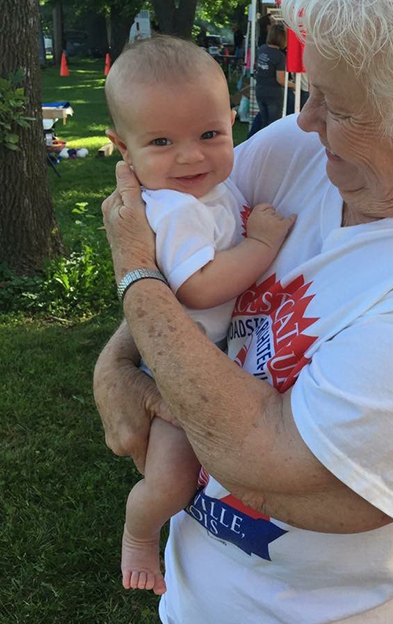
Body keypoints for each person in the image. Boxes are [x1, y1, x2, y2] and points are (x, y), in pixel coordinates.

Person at [95, 0, 393, 622]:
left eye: (338, 106)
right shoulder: (299, 150)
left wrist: (133, 277)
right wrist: (114, 363)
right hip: (194, 595)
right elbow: (185, 258)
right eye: (312, 90)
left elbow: (267, 455)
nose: (306, 120)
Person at [103, 35, 295, 596]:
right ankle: (139, 534)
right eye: (161, 141)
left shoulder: (209, 187)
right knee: (170, 477)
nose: (191, 156)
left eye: (210, 134)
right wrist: (260, 245)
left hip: (208, 356)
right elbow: (199, 287)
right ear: (123, 147)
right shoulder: (177, 208)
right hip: (179, 368)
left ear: (232, 120)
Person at [255, 23, 295, 129]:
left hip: (260, 90)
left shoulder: (262, 49)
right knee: (273, 125)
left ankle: (262, 144)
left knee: (264, 123)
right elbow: (280, 80)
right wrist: (293, 85)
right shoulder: (280, 56)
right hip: (273, 93)